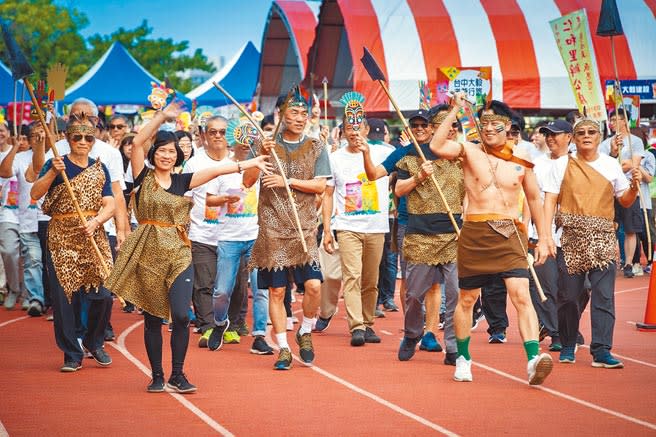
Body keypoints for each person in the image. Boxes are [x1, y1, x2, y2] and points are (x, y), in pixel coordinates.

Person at [105, 101, 270, 393]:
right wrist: (161, 117)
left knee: (181, 315)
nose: (167, 155)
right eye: (162, 151)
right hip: (148, 253)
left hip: (180, 253)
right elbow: (140, 141)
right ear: (154, 155)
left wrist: (250, 163)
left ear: (178, 156)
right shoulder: (142, 176)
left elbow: (220, 170)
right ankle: (157, 374)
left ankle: (177, 374)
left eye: (172, 151)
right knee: (154, 318)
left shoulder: (183, 181)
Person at [430, 93, 553, 385]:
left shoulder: (523, 160)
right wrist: (454, 110)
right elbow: (435, 146)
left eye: (495, 124)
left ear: (507, 126)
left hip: (510, 233)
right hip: (475, 231)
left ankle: (533, 359)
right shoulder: (470, 152)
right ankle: (463, 358)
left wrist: (545, 237)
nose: (488, 129)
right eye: (484, 124)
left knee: (521, 295)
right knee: (467, 299)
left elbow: (535, 199)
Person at [244, 89, 331, 370]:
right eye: (294, 112)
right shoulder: (264, 145)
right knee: (277, 292)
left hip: (304, 229)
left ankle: (305, 330)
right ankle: (282, 347)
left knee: (314, 287)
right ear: (280, 114)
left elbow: (320, 186)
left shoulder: (317, 147)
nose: (301, 118)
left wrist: (287, 181)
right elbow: (247, 181)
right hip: (272, 230)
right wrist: (260, 156)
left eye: (304, 113)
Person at [543, 117, 640, 368]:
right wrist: (545, 237)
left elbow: (625, 200)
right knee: (569, 297)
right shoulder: (562, 164)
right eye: (581, 132)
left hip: (604, 237)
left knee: (604, 296)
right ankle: (567, 344)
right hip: (571, 237)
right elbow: (549, 201)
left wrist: (634, 187)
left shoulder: (611, 165)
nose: (586, 136)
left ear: (599, 137)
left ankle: (601, 350)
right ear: (574, 138)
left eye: (592, 132)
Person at [30, 113, 115, 372]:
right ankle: (71, 353)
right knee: (66, 298)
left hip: (93, 233)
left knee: (104, 294)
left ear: (93, 141)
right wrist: (53, 172)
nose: (82, 141)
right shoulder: (56, 163)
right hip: (62, 235)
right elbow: (35, 193)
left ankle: (93, 340)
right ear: (68, 139)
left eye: (87, 137)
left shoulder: (100, 168)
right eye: (76, 137)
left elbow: (110, 203)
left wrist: (96, 221)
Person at [394, 106, 464, 365]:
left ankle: (454, 347)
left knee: (456, 293)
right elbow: (399, 190)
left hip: (453, 235)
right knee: (414, 294)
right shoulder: (411, 157)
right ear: (435, 128)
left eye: (455, 125)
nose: (452, 129)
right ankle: (412, 334)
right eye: (447, 124)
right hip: (420, 235)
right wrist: (420, 176)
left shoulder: (462, 157)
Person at [322, 99, 391, 347]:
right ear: (342, 131)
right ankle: (357, 326)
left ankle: (369, 322)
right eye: (348, 128)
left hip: (377, 226)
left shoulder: (383, 153)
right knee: (353, 275)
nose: (354, 132)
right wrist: (327, 229)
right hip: (348, 227)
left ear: (366, 130)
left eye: (358, 127)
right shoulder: (335, 158)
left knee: (371, 279)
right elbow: (328, 194)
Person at [204, 118, 273, 355]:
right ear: (233, 142)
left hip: (256, 237)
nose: (245, 145)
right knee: (222, 290)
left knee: (260, 289)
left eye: (250, 141)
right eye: (242, 141)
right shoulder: (223, 168)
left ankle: (260, 335)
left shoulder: (263, 166)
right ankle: (220, 323)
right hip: (229, 239)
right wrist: (225, 199)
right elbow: (209, 199)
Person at [184, 116, 232, 345]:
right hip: (201, 234)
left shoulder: (236, 161)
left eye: (222, 132)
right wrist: (183, 229)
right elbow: (186, 199)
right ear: (204, 134)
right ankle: (207, 326)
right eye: (213, 132)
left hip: (232, 236)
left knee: (229, 286)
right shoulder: (194, 164)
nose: (217, 136)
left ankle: (228, 325)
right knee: (204, 283)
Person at [0, 122, 46, 315]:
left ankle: (35, 297)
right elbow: (5, 172)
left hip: (41, 216)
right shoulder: (18, 157)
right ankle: (24, 293)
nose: (37, 139)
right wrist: (15, 147)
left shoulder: (52, 156)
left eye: (40, 135)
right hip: (17, 215)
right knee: (21, 255)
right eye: (33, 135)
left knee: (37, 260)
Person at [599, 108, 645, 277]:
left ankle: (628, 264)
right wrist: (614, 153)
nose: (613, 123)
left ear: (625, 121)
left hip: (630, 190)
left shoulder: (636, 142)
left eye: (616, 120)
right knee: (609, 227)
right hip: (609, 192)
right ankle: (609, 260)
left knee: (630, 228)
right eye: (611, 121)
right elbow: (602, 166)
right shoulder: (605, 143)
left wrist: (621, 164)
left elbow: (634, 164)